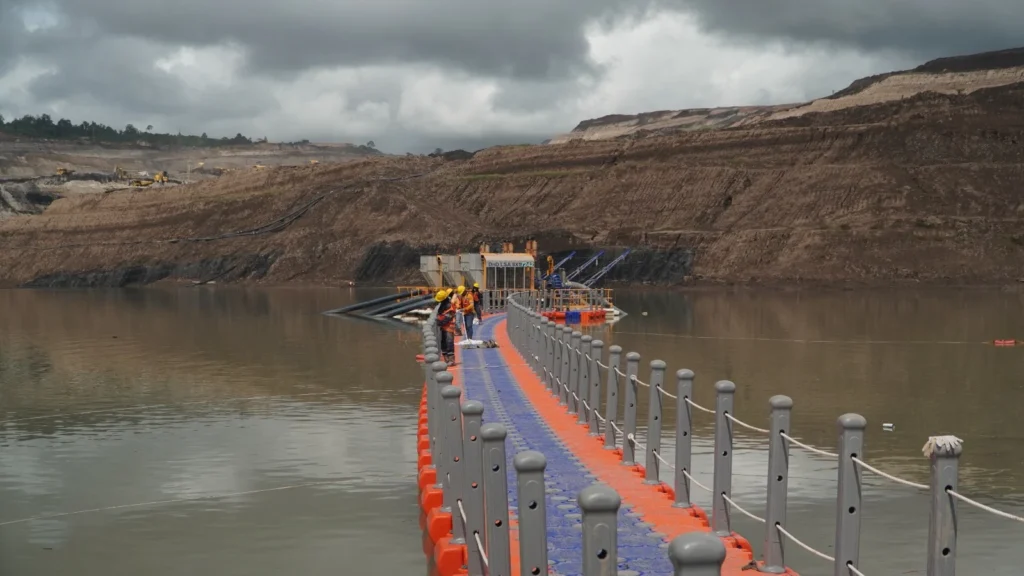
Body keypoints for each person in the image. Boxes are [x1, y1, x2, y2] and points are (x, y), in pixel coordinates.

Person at [434, 289, 456, 365]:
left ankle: (451, 359)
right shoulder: (442, 306)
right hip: (443, 327)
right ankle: (446, 358)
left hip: (449, 326)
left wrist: (440, 322)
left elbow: (448, 316)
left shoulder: (449, 306)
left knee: (449, 342)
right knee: (443, 342)